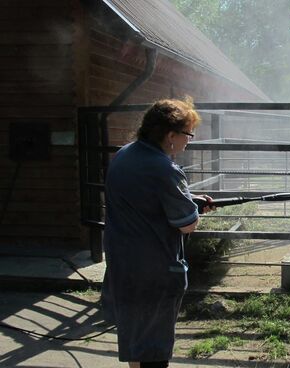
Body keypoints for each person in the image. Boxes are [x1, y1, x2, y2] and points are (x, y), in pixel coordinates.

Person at [101, 97, 215, 368]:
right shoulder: (164, 168)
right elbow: (186, 223)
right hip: (154, 272)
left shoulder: (124, 154)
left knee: (135, 341)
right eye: (188, 134)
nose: (189, 140)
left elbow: (147, 201)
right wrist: (193, 209)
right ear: (170, 135)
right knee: (154, 347)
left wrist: (188, 199)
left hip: (123, 265)